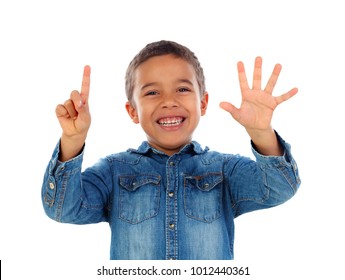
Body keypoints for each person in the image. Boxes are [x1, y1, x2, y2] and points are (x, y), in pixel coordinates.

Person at [42, 40, 301, 260]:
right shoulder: (113, 171)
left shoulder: (224, 169)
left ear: (203, 102)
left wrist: (260, 133)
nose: (169, 101)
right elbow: (62, 209)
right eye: (152, 92)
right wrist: (73, 140)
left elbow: (280, 188)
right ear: (133, 111)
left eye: (182, 89)